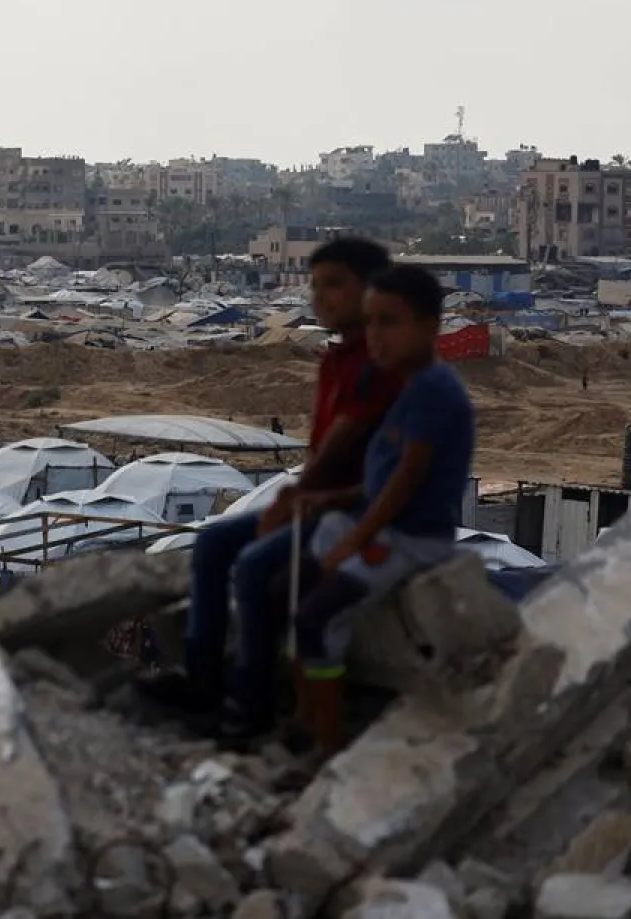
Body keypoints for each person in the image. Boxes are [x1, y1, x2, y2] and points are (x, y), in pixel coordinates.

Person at [140, 237, 400, 731]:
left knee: (257, 568)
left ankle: (250, 697)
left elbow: (346, 452)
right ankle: (201, 676)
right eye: (316, 286)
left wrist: (299, 497)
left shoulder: (380, 365)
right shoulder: (337, 359)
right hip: (318, 503)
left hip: (355, 511)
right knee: (214, 543)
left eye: (335, 286)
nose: (320, 298)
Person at [278, 264, 476, 751]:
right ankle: (304, 709)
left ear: (428, 327)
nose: (375, 336)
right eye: (370, 323)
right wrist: (332, 500)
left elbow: (406, 481)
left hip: (409, 538)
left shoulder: (433, 392)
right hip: (381, 527)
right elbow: (381, 478)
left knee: (316, 616)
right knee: (284, 587)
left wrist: (355, 537)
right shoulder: (406, 387)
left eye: (389, 323)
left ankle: (326, 739)